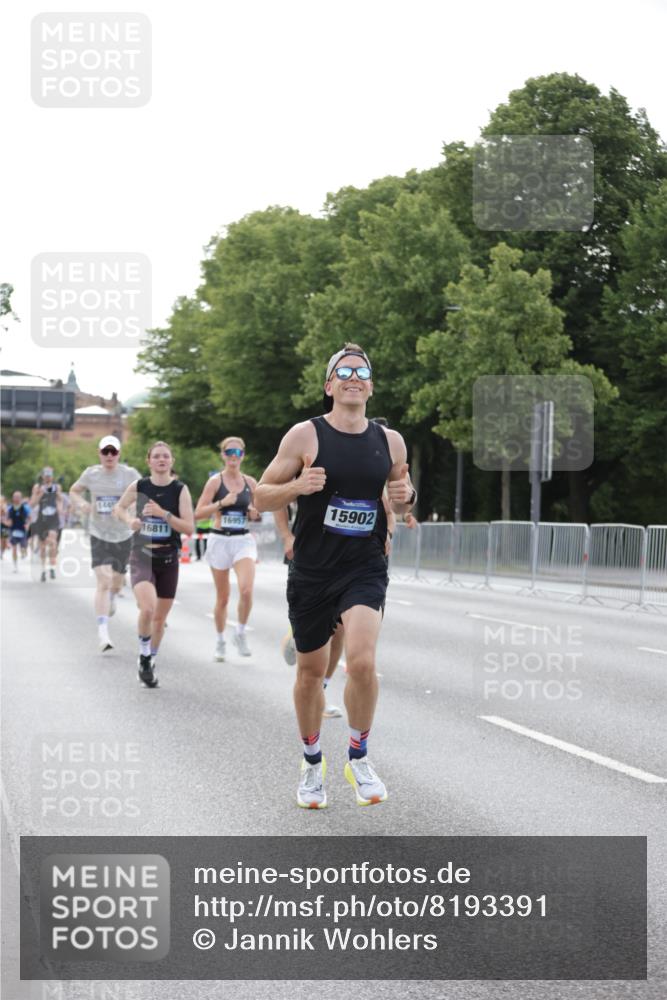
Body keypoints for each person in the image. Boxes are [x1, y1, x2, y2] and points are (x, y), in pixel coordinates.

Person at [255, 345, 416, 809]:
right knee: (310, 673)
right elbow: (262, 497)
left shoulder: (391, 442)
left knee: (362, 662)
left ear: (370, 385)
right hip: (312, 570)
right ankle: (311, 764)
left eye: (361, 371)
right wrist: (296, 487)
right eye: (342, 371)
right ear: (329, 386)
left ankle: (359, 757)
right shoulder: (304, 437)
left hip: (364, 565)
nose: (352, 376)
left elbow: (400, 499)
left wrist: (407, 496)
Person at [114, 441, 195, 688]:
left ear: (171, 462)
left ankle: (150, 659)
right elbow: (119, 508)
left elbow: (189, 528)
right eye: (157, 456)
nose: (161, 460)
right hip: (142, 555)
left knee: (159, 620)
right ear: (148, 461)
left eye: (166, 456)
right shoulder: (140, 486)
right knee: (147, 609)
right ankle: (143, 653)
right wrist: (130, 520)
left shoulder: (180, 490)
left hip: (169, 558)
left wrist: (164, 515)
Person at [69, 435, 141, 652]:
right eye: (105, 451)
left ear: (119, 454)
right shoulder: (91, 474)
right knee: (103, 580)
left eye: (113, 451)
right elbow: (73, 490)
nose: (109, 455)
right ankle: (103, 634)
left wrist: (133, 511)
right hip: (98, 533)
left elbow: (144, 491)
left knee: (116, 583)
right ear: (99, 453)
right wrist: (81, 503)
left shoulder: (129, 474)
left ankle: (112, 595)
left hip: (123, 534)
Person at [194, 437, 261, 661]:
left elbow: (260, 512)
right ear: (223, 455)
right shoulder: (215, 482)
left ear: (243, 455)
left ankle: (240, 633)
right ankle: (221, 640)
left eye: (238, 452)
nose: (234, 456)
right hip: (219, 540)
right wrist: (222, 503)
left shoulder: (251, 483)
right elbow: (198, 513)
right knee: (223, 597)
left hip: (242, 540)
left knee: (246, 590)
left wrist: (254, 512)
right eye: (230, 451)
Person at [30, 468, 63, 582]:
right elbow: (32, 504)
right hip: (41, 519)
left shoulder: (56, 487)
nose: (48, 477)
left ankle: (52, 567)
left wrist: (60, 507)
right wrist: (40, 494)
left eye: (50, 475)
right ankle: (43, 570)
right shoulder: (37, 487)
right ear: (43, 476)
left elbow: (60, 500)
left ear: (52, 477)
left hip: (53, 518)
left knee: (53, 541)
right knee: (43, 547)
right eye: (46, 475)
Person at [3, 492, 31, 571]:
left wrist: (28, 525)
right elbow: (7, 519)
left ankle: (24, 552)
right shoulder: (10, 508)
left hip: (22, 529)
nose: (16, 499)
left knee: (23, 547)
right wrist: (6, 523)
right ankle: (15, 565)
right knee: (14, 548)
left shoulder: (25, 508)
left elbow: (29, 518)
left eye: (18, 497)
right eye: (15, 497)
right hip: (13, 530)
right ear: (13, 498)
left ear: (21, 498)